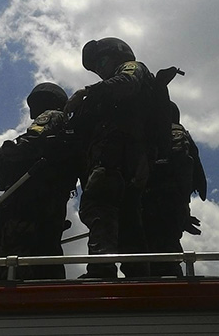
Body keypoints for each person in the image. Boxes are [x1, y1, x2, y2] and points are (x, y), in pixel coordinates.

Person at [0, 82, 78, 280]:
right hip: (41, 210)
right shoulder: (62, 129)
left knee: (19, 267)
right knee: (41, 264)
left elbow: (30, 144)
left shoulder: (52, 116)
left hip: (29, 209)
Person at [65, 37, 154, 279]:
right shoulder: (111, 96)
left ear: (117, 54)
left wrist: (86, 92)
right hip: (124, 165)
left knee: (99, 208)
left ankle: (101, 270)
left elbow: (127, 82)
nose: (100, 70)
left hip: (115, 164)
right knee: (127, 222)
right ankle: (138, 275)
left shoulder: (132, 68)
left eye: (101, 62)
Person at [142, 102, 207, 276]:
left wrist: (181, 209)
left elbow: (183, 168)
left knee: (163, 254)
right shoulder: (162, 135)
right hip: (163, 202)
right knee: (156, 254)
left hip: (161, 202)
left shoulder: (172, 133)